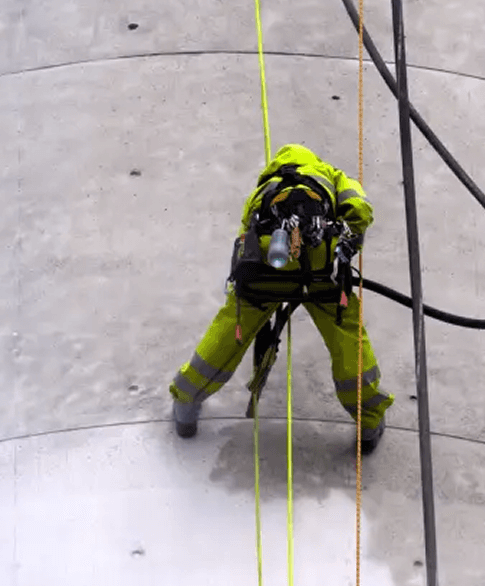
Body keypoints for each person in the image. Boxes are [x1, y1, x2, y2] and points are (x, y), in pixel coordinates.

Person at [169, 144, 394, 450]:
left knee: (229, 331)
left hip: (265, 274)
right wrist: (349, 238)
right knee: (347, 337)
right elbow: (360, 208)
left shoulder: (265, 188)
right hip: (320, 273)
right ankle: (368, 422)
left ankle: (186, 402)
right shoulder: (331, 175)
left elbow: (245, 236)